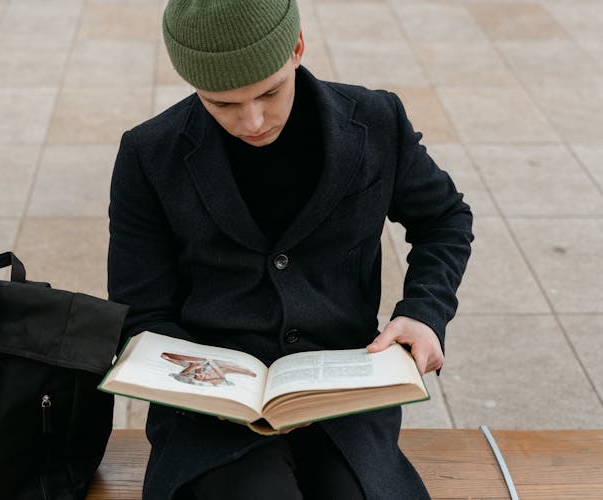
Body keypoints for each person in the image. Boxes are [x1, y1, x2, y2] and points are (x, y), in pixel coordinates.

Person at [107, 0, 473, 498]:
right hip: (212, 415)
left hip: (342, 395)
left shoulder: (375, 120)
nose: (253, 121)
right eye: (223, 105)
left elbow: (444, 217)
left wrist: (425, 311)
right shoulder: (149, 154)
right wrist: (212, 388)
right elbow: (142, 311)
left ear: (297, 46)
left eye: (269, 92)